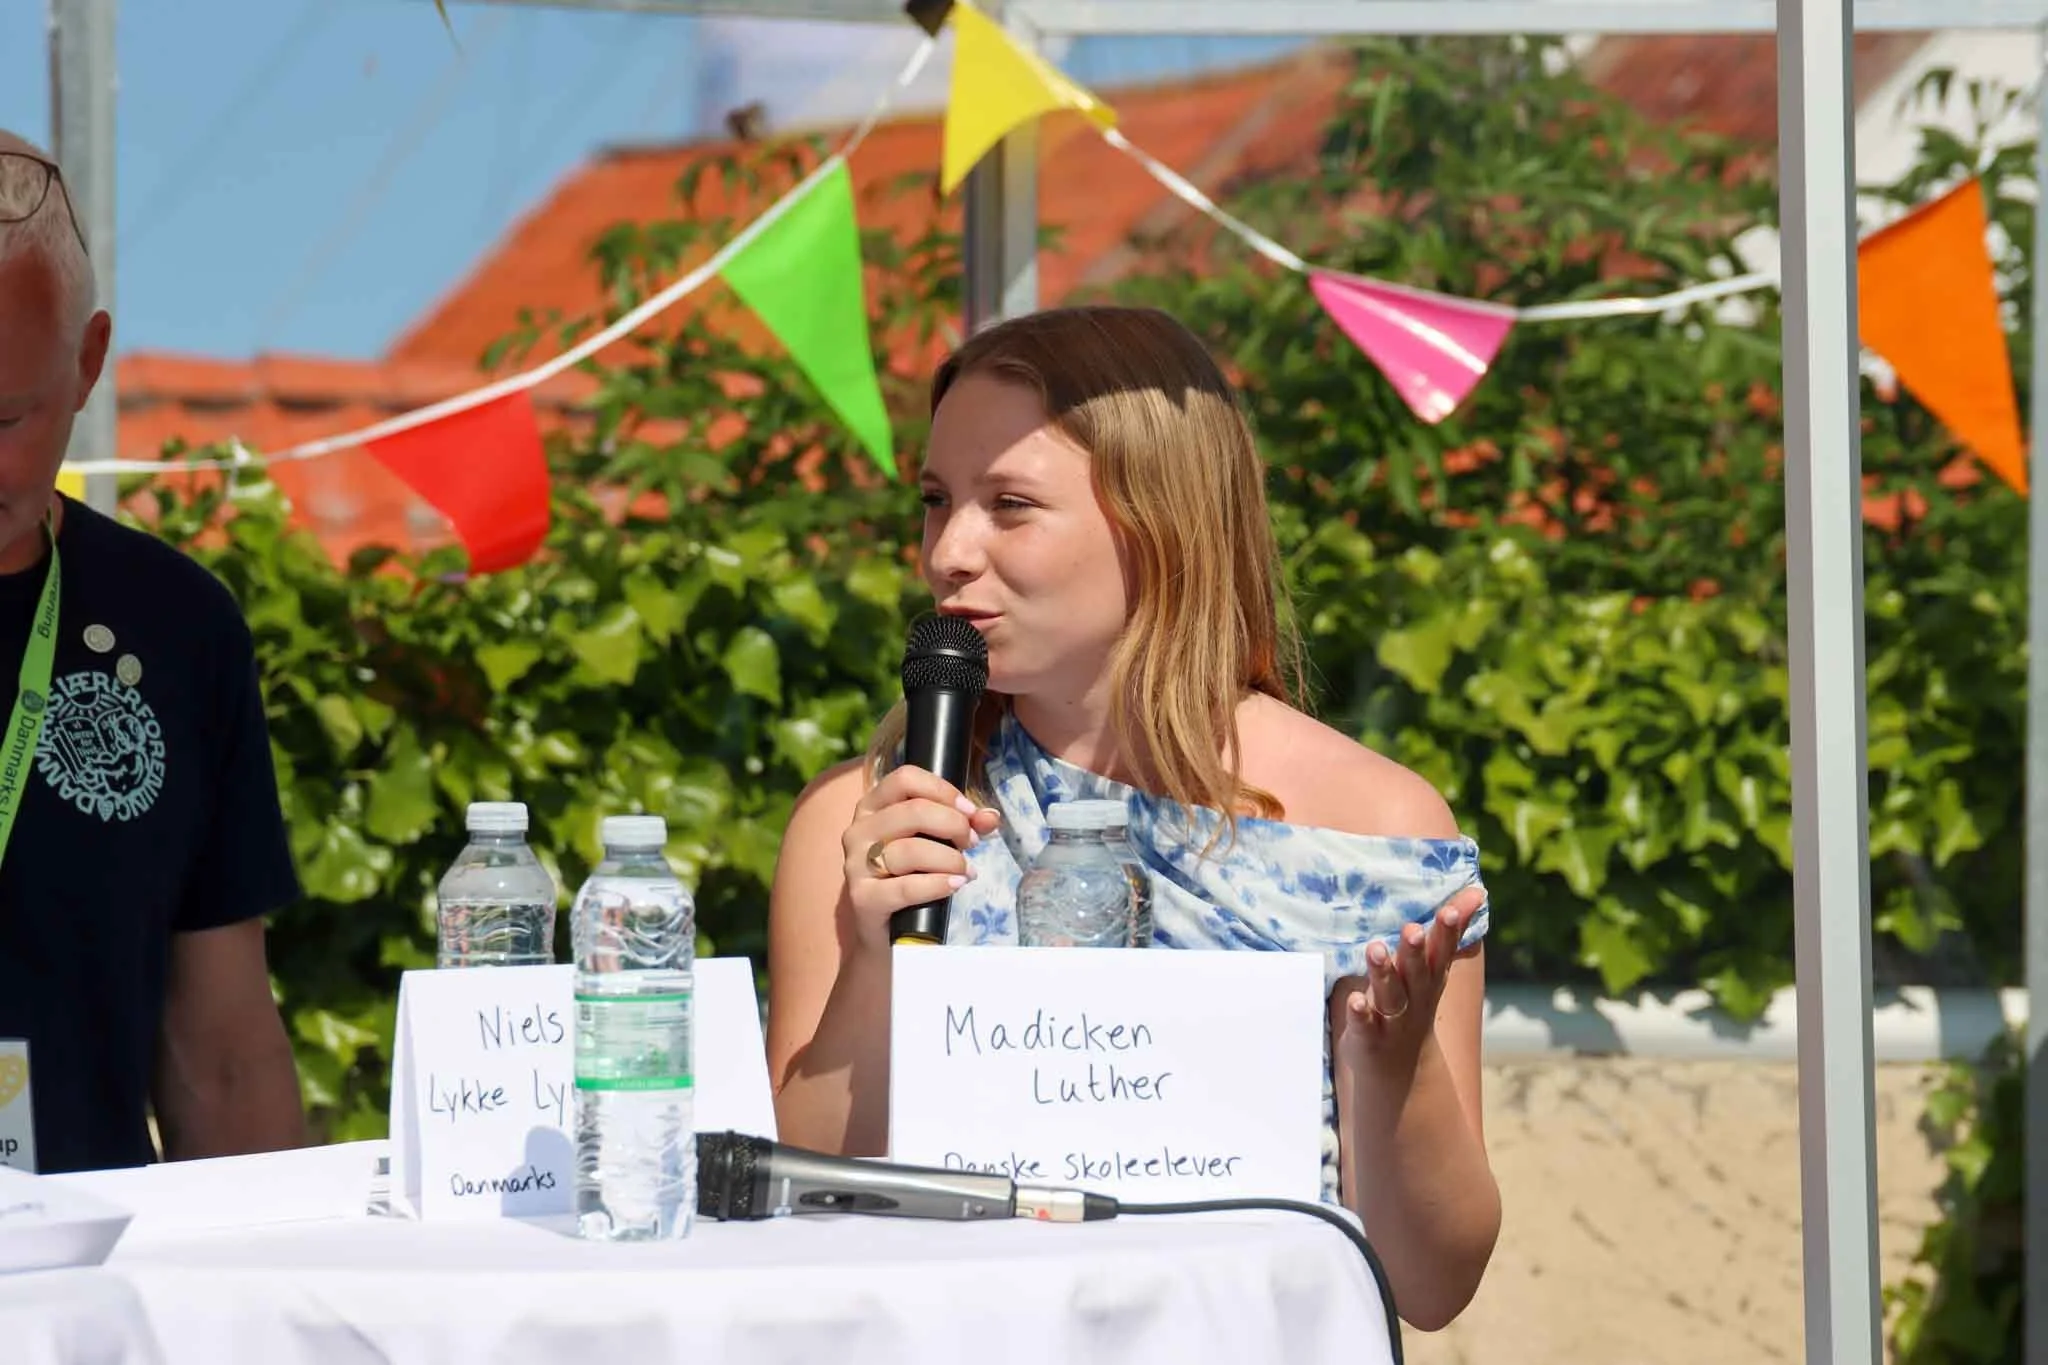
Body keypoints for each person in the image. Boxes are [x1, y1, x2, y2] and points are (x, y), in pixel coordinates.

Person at [767, 304, 1500, 1330]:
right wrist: (874, 960)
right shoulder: (862, 819)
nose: (948, 552)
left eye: (1009, 505)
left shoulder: (1371, 827)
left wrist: (1396, 1066)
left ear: (1160, 523)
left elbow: (1432, 1288)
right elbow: (797, 1205)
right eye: (936, 501)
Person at [0, 132, 305, 1174]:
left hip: (94, 1266)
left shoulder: (176, 627)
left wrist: (271, 1265)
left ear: (88, 363)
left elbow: (222, 1055)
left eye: (4, 416)